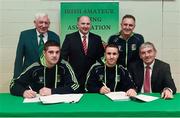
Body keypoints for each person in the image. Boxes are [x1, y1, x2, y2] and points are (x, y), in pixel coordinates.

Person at [10, 40, 79, 98]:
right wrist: (23, 92)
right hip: (38, 104)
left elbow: (75, 86)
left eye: (57, 52)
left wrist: (52, 91)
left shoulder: (64, 66)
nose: (55, 55)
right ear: (44, 53)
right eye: (51, 52)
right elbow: (13, 84)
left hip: (60, 103)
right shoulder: (34, 67)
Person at [61, 16, 104, 92]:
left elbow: (101, 58)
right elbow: (63, 58)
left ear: (90, 25)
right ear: (78, 25)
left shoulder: (97, 39)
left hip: (92, 78)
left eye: (88, 24)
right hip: (75, 78)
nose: (85, 26)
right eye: (83, 23)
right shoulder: (69, 38)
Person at [13, 12, 60, 79]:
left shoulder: (55, 36)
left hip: (48, 75)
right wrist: (16, 77)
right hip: (29, 74)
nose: (43, 25)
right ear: (35, 23)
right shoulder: (25, 35)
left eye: (46, 23)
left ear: (49, 24)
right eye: (41, 22)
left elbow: (57, 57)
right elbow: (19, 58)